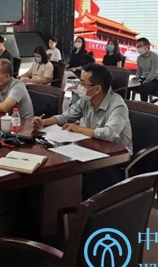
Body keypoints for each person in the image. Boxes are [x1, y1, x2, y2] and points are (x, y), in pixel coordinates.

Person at [33, 63, 133, 199]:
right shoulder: (86, 100)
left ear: (97, 88)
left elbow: (109, 134)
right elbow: (66, 117)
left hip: (114, 159)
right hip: (91, 150)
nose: (78, 86)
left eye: (82, 83)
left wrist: (79, 129)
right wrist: (44, 122)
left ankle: (84, 209)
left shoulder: (117, 105)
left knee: (84, 180)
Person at [132, 38, 158, 102]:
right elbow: (139, 71)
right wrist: (137, 77)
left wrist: (145, 81)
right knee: (129, 85)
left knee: (143, 87)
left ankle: (144, 106)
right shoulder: (139, 58)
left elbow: (154, 72)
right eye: (137, 47)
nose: (138, 48)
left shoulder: (155, 57)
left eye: (140, 46)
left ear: (147, 46)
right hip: (145, 79)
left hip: (156, 81)